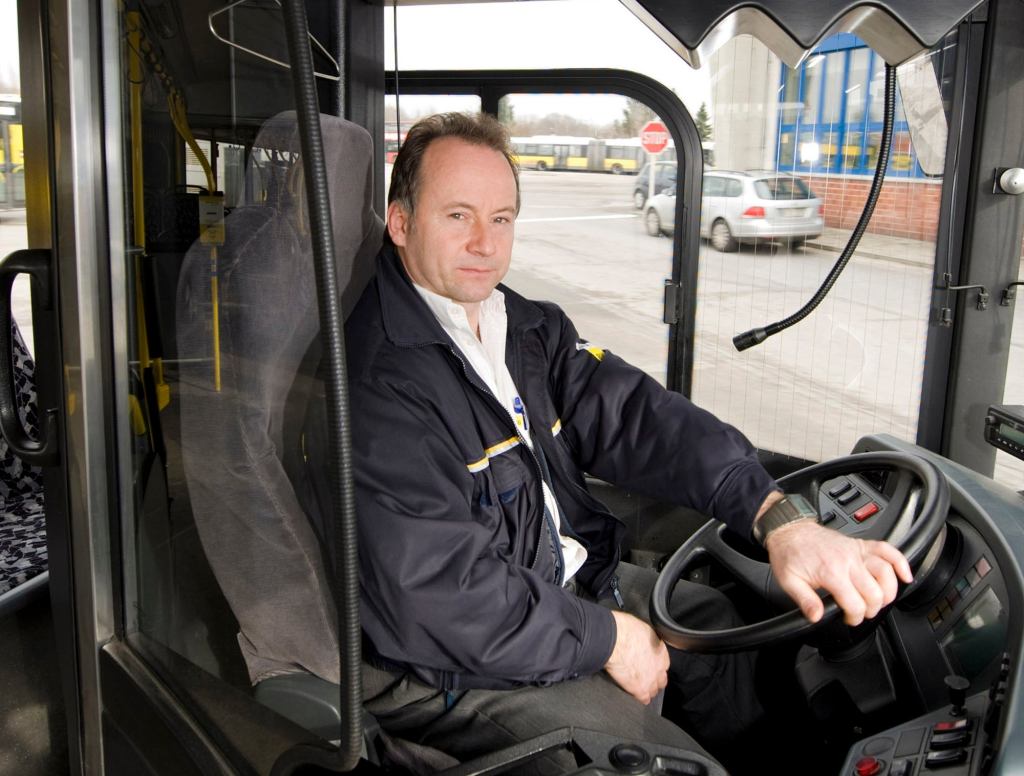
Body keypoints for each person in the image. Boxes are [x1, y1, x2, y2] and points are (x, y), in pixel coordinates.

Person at [346, 112, 912, 773]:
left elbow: (639, 417)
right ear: (401, 223)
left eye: (501, 219)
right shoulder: (381, 382)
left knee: (713, 627)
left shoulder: (522, 327)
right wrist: (607, 637)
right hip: (448, 665)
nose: (485, 243)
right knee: (660, 764)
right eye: (458, 216)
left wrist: (774, 516)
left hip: (549, 587)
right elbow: (441, 598)